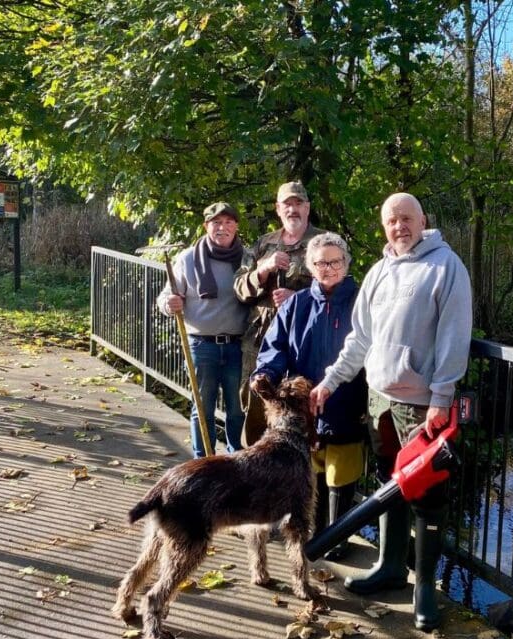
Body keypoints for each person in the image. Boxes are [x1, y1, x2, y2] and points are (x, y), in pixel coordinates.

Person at [310, 192, 472, 630]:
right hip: (379, 397)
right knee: (388, 482)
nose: (398, 227)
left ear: (422, 220)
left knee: (426, 493)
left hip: (422, 403)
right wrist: (330, 381)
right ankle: (389, 567)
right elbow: (359, 340)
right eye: (390, 221)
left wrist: (441, 397)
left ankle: (424, 592)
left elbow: (454, 336)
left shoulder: (446, 267)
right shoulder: (379, 272)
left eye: (406, 218)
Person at [251, 232, 367, 561]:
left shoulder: (362, 302)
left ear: (346, 263)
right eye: (320, 263)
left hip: (347, 401)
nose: (327, 268)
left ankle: (338, 536)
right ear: (310, 266)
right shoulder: (298, 304)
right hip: (303, 408)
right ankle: (308, 532)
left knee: (341, 472)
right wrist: (266, 376)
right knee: (306, 471)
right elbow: (274, 348)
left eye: (334, 261)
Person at [234, 181, 323, 446]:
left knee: (301, 408)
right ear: (278, 209)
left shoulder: (322, 243)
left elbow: (337, 289)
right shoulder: (264, 244)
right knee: (255, 404)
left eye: (298, 204)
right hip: (261, 343)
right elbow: (239, 289)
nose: (292, 210)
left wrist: (299, 299)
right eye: (287, 204)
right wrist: (263, 270)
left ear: (307, 208)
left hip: (305, 342)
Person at [157, 202, 247, 458]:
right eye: (216, 223)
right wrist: (169, 303)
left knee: (237, 407)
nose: (223, 228)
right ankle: (203, 460)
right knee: (202, 407)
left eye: (228, 222)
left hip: (238, 345)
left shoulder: (247, 258)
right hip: (201, 345)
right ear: (206, 226)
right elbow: (166, 296)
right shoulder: (188, 258)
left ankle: (236, 459)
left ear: (236, 226)